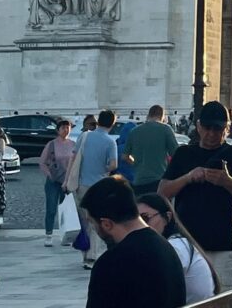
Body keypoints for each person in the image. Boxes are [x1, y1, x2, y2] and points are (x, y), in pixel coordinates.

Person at [158, 100, 232, 291]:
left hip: (222, 244)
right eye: (207, 128)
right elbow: (162, 193)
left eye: (217, 129)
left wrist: (227, 181)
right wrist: (188, 177)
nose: (211, 134)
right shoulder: (183, 153)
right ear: (198, 126)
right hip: (186, 244)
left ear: (226, 129)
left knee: (221, 299)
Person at [81, 176, 186, 308]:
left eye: (92, 223)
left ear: (106, 224)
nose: (93, 229)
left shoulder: (110, 264)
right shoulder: (167, 248)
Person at [137, 192, 216, 304]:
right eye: (137, 220)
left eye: (145, 218)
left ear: (167, 217)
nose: (141, 225)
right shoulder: (174, 243)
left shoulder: (176, 246)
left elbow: (156, 284)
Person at [71, 108, 118, 269]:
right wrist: (104, 168)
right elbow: (113, 165)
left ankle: (85, 255)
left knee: (84, 221)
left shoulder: (85, 136)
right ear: (112, 123)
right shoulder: (110, 141)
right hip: (99, 186)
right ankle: (92, 256)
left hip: (82, 185)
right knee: (96, 221)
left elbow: (73, 157)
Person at [123, 104, 178, 196]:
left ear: (148, 115)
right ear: (162, 116)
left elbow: (125, 157)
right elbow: (176, 154)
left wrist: (136, 164)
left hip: (139, 180)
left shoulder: (134, 131)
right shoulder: (165, 129)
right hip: (158, 180)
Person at [39, 118, 75, 246]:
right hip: (53, 181)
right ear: (58, 130)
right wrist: (49, 175)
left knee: (66, 209)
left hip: (67, 181)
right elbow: (42, 162)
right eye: (63, 128)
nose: (66, 130)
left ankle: (65, 234)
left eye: (68, 127)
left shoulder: (73, 144)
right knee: (51, 208)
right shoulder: (51, 144)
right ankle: (48, 234)